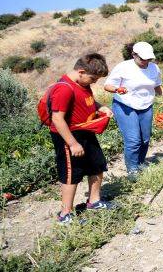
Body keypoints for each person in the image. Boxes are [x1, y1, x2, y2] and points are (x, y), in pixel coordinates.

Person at [48, 53, 113, 224]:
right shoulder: (63, 88)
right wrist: (72, 143)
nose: (94, 82)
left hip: (86, 131)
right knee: (71, 174)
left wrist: (101, 107)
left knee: (97, 165)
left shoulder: (81, 84)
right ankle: (65, 214)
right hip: (68, 136)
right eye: (93, 79)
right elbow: (57, 119)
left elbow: (87, 101)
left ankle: (94, 201)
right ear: (81, 71)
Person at [104, 41, 163, 176]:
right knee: (133, 140)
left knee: (145, 139)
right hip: (125, 105)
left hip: (146, 105)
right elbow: (107, 86)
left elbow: (156, 85)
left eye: (148, 59)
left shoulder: (154, 68)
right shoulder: (123, 67)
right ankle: (132, 170)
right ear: (133, 55)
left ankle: (140, 164)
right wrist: (117, 89)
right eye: (142, 59)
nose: (145, 61)